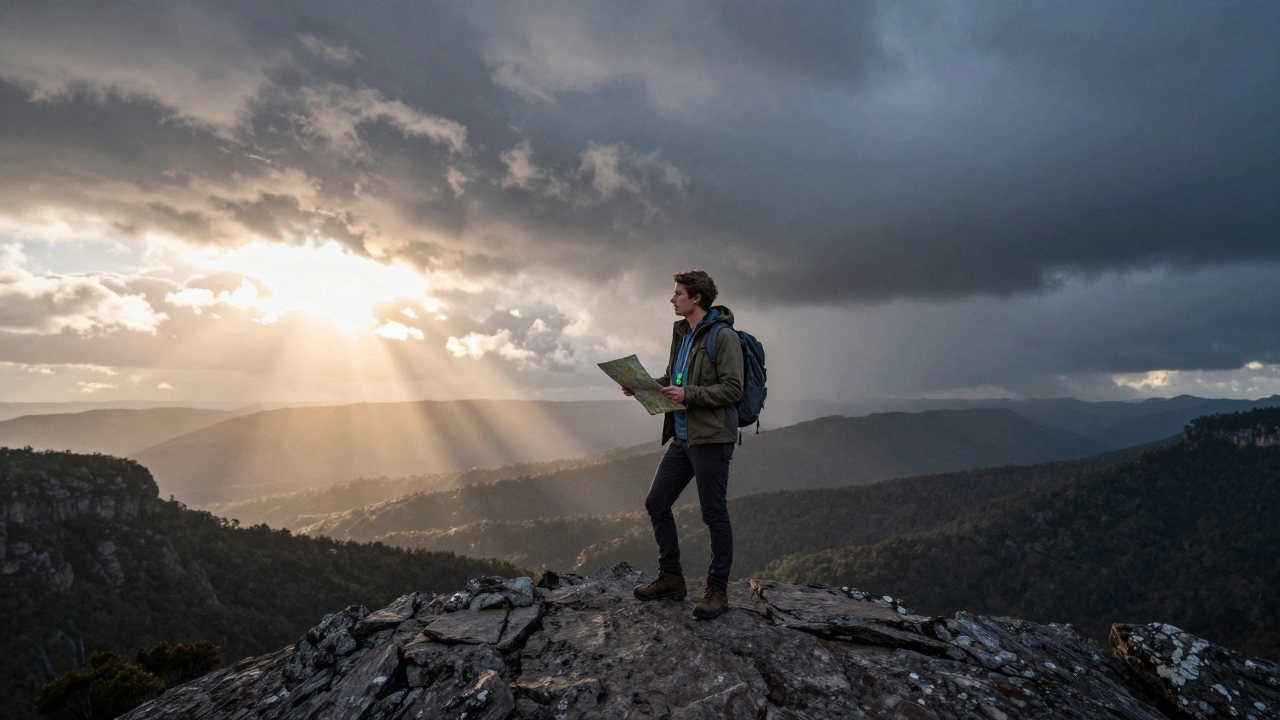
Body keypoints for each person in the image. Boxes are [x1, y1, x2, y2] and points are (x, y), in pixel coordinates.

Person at [623, 269, 743, 619]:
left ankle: (717, 591)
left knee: (714, 514)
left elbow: (733, 389)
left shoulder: (723, 337)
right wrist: (640, 386)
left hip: (712, 440)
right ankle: (672, 579)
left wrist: (688, 394)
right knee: (656, 502)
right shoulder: (682, 333)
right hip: (682, 438)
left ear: (697, 298)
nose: (672, 299)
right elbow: (673, 379)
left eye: (678, 293)